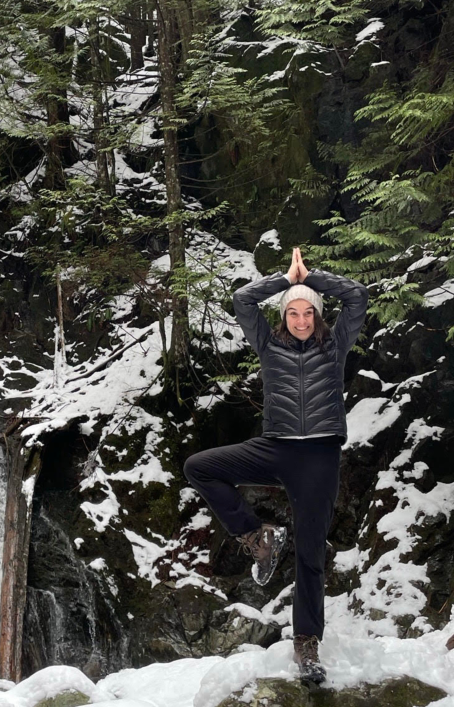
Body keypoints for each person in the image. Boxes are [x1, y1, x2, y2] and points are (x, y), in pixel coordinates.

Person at [183, 247, 368, 685]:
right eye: (293, 313)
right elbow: (242, 300)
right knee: (200, 467)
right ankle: (256, 536)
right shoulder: (268, 344)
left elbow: (357, 296)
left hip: (319, 456)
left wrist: (311, 278)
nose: (301, 320)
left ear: (318, 316)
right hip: (275, 447)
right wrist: (286, 281)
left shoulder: (335, 344)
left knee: (310, 552)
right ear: (283, 316)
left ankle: (306, 643)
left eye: (309, 313)